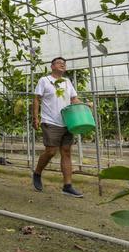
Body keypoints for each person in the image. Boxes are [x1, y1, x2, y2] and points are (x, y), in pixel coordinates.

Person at [31, 56, 91, 197]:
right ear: (52, 66)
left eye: (64, 63)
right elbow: (36, 99)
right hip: (50, 121)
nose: (62, 65)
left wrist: (84, 105)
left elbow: (73, 99)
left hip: (67, 121)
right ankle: (37, 172)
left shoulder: (67, 82)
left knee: (66, 152)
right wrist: (35, 117)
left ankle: (67, 186)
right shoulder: (44, 81)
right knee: (51, 151)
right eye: (59, 63)